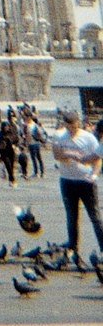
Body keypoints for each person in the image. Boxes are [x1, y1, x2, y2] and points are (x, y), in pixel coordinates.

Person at [51, 109, 103, 261]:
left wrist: (94, 174)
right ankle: (72, 249)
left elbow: (97, 158)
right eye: (68, 127)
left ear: (78, 124)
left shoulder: (88, 138)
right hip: (67, 181)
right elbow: (56, 155)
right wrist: (69, 154)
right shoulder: (60, 136)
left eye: (73, 127)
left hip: (86, 182)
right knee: (72, 217)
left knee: (95, 216)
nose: (70, 130)